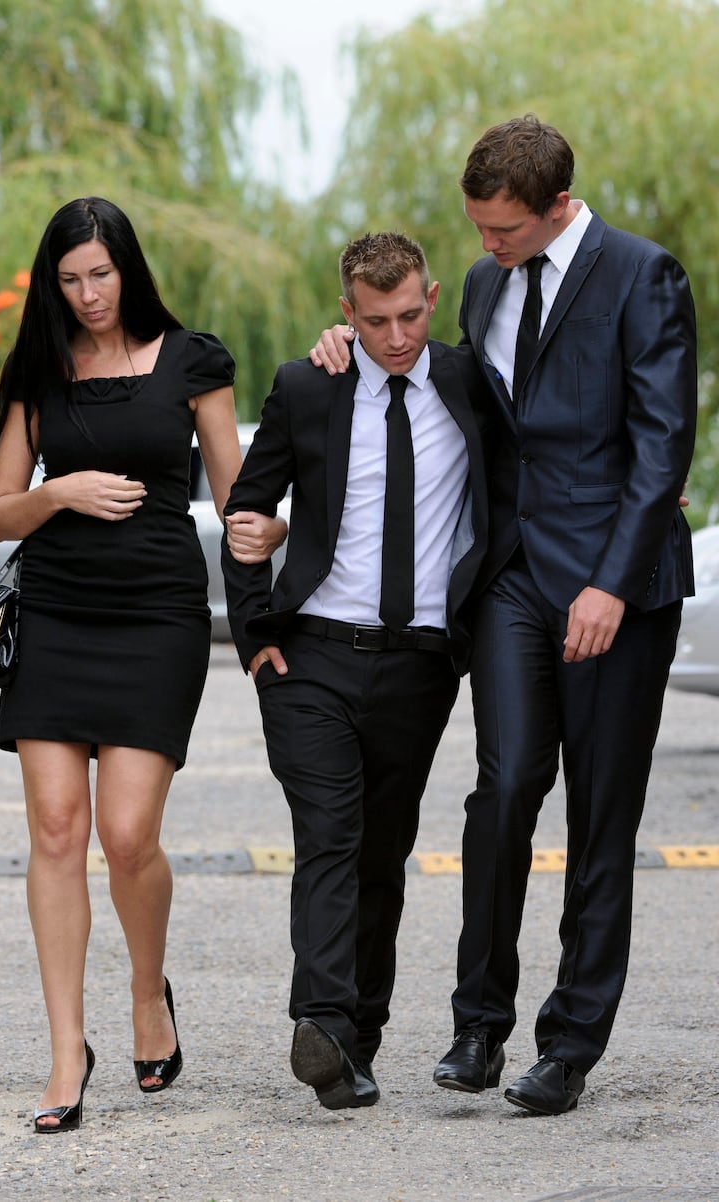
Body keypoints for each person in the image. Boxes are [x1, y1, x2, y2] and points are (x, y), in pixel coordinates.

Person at [309, 116, 697, 1115]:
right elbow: (451, 396)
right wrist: (345, 345)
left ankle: (567, 1043)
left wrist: (611, 581)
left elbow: (662, 445)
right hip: (512, 577)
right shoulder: (482, 286)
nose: (484, 248)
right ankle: (476, 1023)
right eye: (476, 228)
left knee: (597, 813)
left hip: (616, 582)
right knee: (503, 786)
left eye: (503, 231)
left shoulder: (639, 274)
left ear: (555, 208)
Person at [0, 197, 266, 1133]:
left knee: (127, 834)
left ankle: (150, 991)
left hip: (156, 614)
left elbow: (236, 499)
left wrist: (273, 550)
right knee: (57, 831)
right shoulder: (38, 370)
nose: (87, 294)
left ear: (127, 270)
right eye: (69, 280)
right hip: (56, 614)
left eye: (100, 275)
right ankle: (68, 1050)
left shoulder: (193, 360)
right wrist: (55, 490)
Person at [221, 231, 491, 1111]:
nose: (397, 336)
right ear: (347, 315)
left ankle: (353, 1042)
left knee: (383, 850)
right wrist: (254, 632)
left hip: (419, 665)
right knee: (330, 833)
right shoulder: (308, 386)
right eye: (374, 321)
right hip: (310, 657)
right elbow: (247, 506)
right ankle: (324, 1018)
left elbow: (547, 455)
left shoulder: (468, 383)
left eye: (411, 314)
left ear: (433, 296)